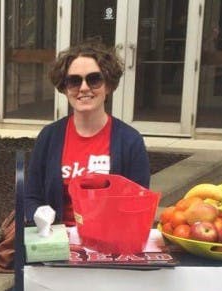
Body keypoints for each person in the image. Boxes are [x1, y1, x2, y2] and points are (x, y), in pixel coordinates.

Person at [23, 40, 150, 224]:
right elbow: (31, 197)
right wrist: (41, 218)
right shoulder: (49, 137)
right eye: (74, 81)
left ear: (108, 86)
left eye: (94, 79)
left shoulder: (130, 141)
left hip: (109, 246)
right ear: (65, 89)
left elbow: (138, 204)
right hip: (56, 243)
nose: (83, 88)